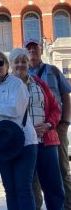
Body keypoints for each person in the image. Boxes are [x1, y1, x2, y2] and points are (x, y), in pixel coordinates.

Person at [0, 51, 38, 210]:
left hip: (24, 142)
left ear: (7, 65)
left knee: (23, 189)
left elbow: (14, 110)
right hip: (3, 143)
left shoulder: (17, 84)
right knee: (10, 191)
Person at [10, 48, 65, 210]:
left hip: (45, 141)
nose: (20, 64)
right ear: (11, 64)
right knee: (27, 188)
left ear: (29, 63)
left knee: (53, 186)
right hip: (23, 145)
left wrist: (49, 125)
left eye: (24, 61)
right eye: (16, 61)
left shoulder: (39, 83)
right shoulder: (5, 85)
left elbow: (56, 108)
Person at [26, 39, 71, 210]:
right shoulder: (21, 72)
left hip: (55, 128)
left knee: (62, 170)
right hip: (32, 131)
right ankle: (36, 206)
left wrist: (65, 123)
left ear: (41, 49)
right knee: (33, 174)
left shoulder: (53, 70)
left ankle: (67, 206)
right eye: (28, 48)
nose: (32, 51)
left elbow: (65, 96)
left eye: (34, 48)